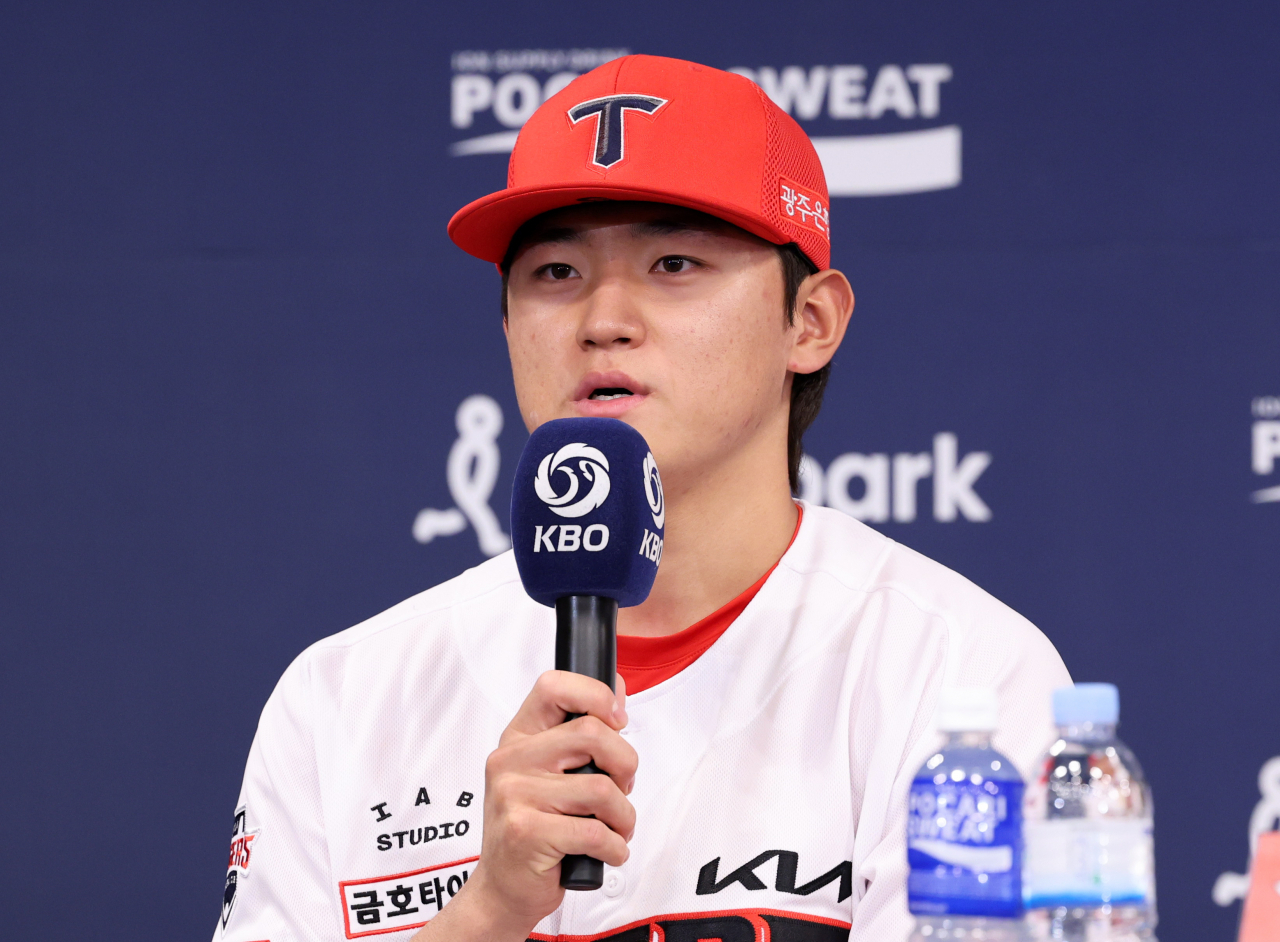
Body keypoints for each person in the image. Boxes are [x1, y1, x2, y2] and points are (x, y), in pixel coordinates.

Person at [214, 55, 1071, 942]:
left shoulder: (958, 675)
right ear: (506, 326)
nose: (604, 319)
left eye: (673, 262)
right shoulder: (344, 697)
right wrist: (489, 911)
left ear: (809, 322)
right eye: (555, 273)